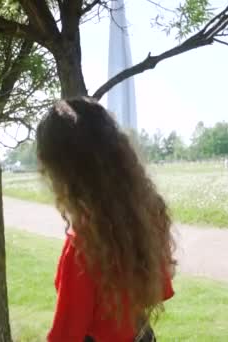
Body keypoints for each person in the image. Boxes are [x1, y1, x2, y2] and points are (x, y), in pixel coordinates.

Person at [36, 98, 176, 342]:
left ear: (65, 173)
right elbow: (159, 290)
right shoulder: (147, 216)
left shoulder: (83, 249)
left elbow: (65, 336)